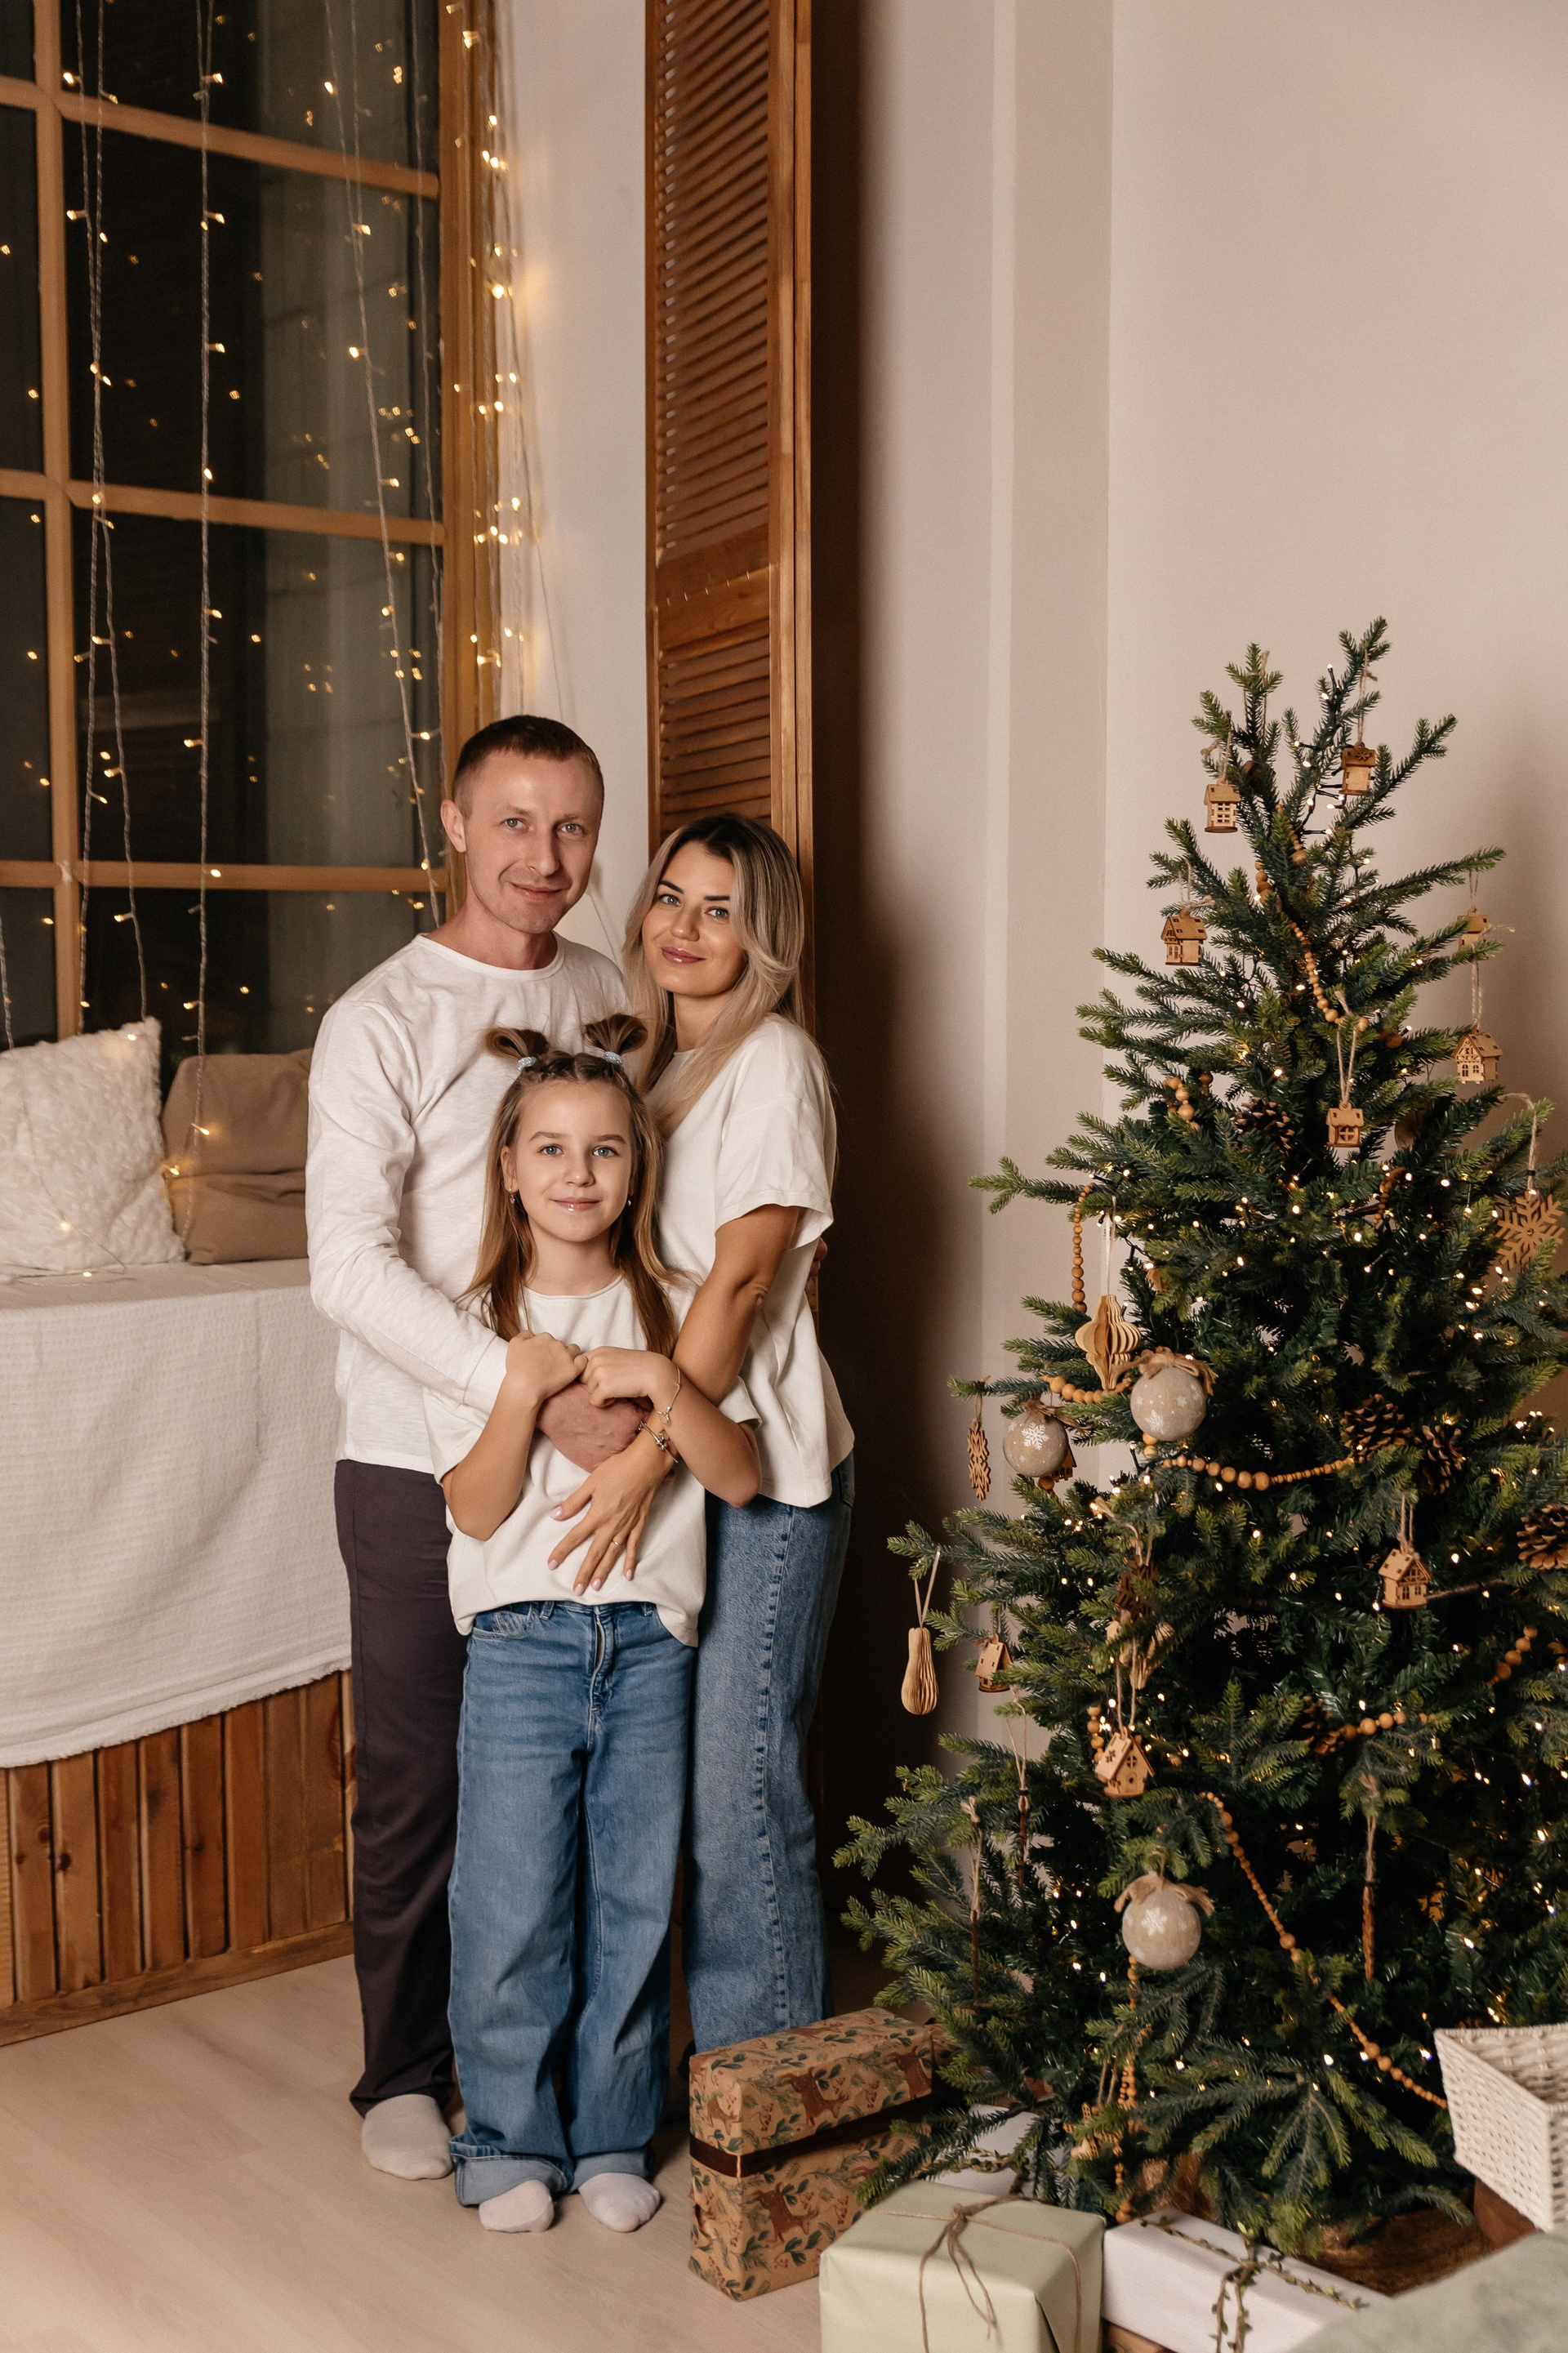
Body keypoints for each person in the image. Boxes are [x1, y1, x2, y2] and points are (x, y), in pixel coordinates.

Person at [306, 714, 626, 2182]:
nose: (543, 857)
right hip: (409, 1454)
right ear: (452, 822)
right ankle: (402, 2070)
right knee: (419, 1776)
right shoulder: (379, 1017)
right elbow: (347, 1265)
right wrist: (523, 1389)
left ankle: (555, 2068)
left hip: (592, 1450)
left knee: (570, 1770)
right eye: (513, 821)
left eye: (572, 826)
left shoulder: (609, 989)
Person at [425, 1018, 758, 2234]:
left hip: (650, 1645)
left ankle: (613, 2131)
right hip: (521, 1645)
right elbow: (473, 1506)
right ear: (510, 1168)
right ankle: (509, 2139)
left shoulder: (668, 1307)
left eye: (605, 1150)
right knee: (512, 1903)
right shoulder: (472, 1317)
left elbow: (736, 1476)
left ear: (636, 1169)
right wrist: (519, 1390)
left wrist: (666, 1385)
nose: (578, 1172)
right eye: (552, 1149)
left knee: (631, 1900)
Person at [549, 814, 854, 2051]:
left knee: (739, 1793)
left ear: (763, 936)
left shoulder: (773, 1060)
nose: (683, 926)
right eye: (670, 896)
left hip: (761, 1474)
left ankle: (761, 2091)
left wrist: (647, 1456)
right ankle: (687, 2068)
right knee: (664, 1784)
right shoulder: (654, 1065)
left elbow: (739, 1283)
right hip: (676, 1455)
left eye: (719, 909)